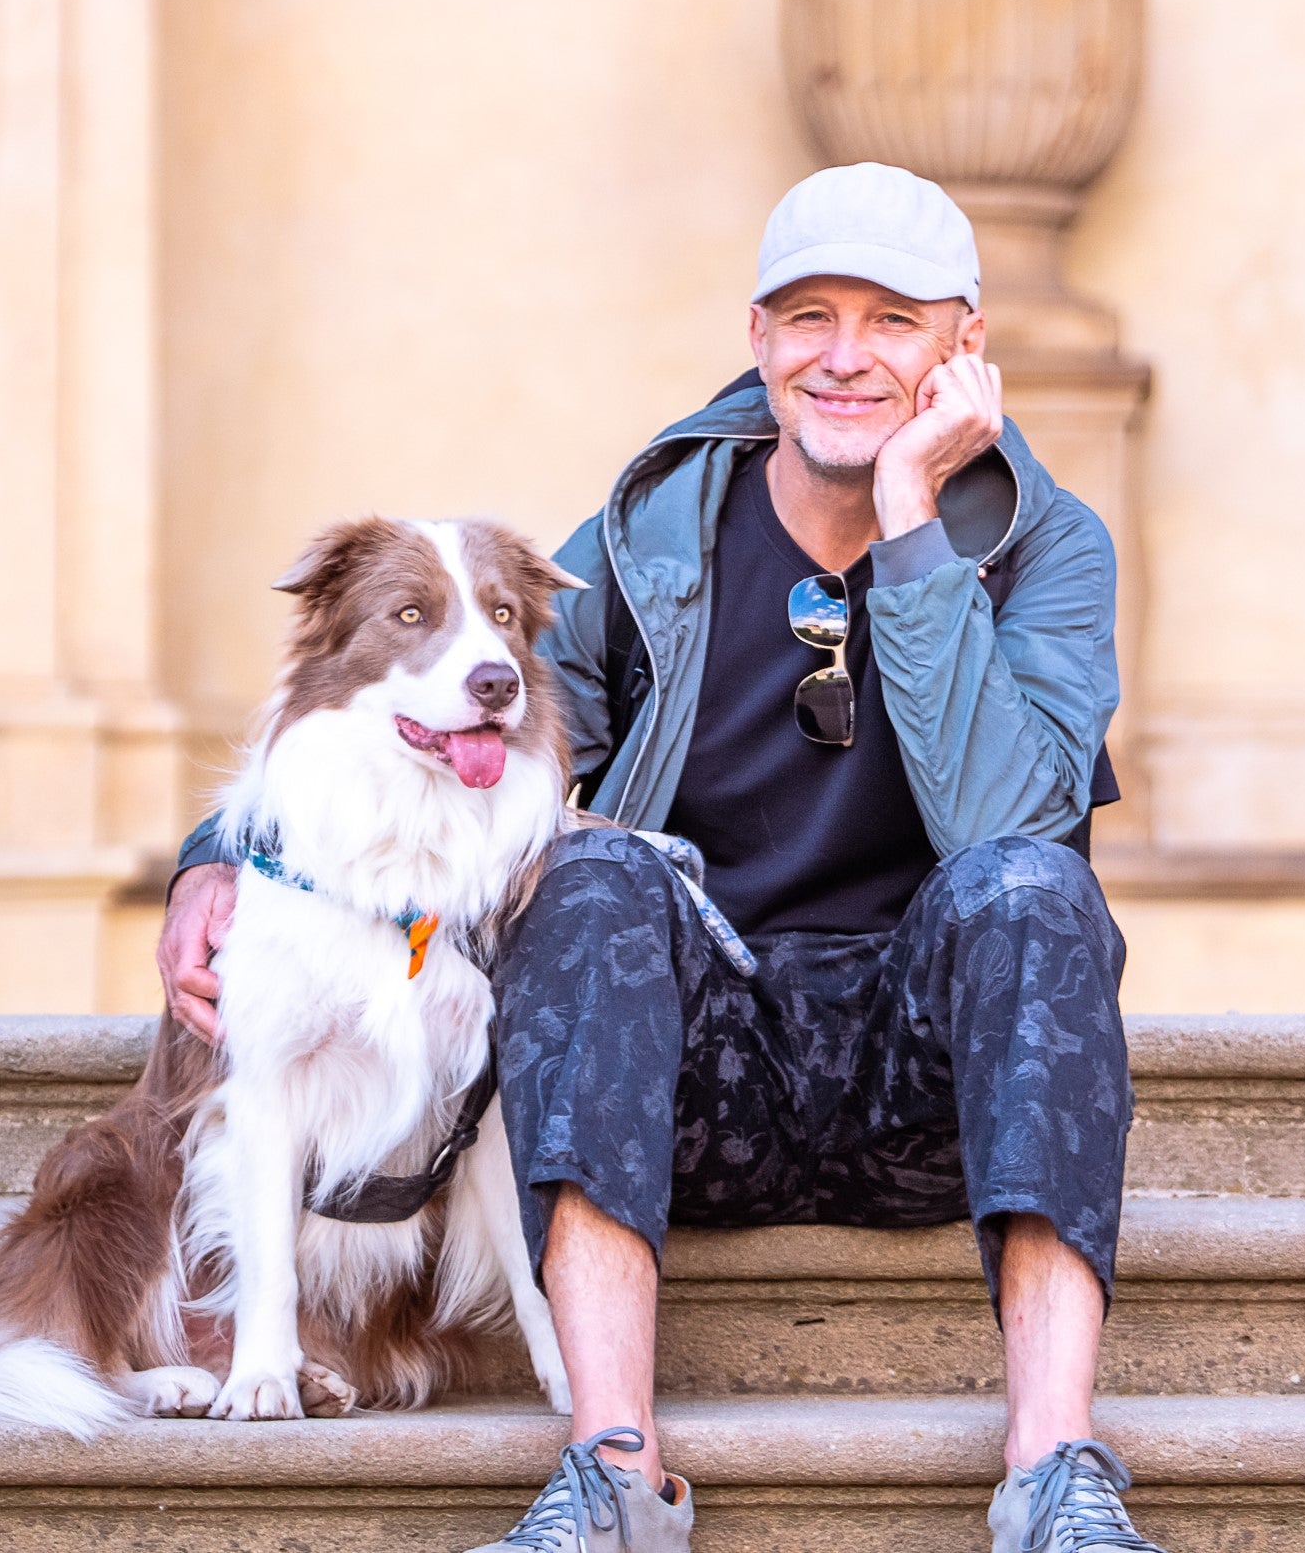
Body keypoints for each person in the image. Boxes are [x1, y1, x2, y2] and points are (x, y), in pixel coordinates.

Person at [158, 162, 1162, 1553]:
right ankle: (611, 1470)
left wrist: (913, 523)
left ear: (961, 346)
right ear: (756, 339)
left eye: (892, 319)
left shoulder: (1047, 547)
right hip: (696, 1072)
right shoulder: (653, 536)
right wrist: (218, 853)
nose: (846, 354)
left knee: (1035, 891)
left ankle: (1054, 1475)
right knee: (589, 874)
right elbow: (448, 707)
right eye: (809, 316)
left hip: (930, 1079)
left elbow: (1011, 824)